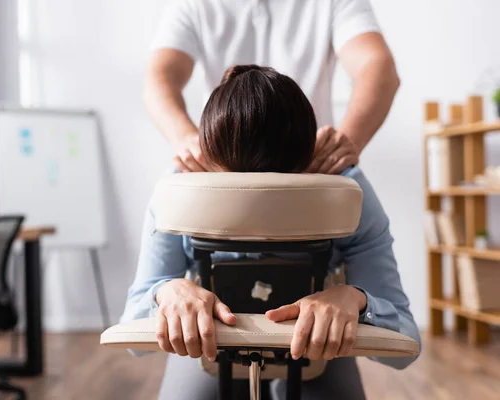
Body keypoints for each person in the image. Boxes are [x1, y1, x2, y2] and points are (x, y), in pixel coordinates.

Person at [122, 65, 420, 400]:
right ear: (207, 160)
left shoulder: (347, 192)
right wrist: (168, 293)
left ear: (311, 160)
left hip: (316, 341)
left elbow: (406, 347)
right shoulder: (180, 191)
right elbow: (134, 334)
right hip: (211, 339)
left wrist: (356, 301)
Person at [144, 0, 400, 175]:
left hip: (308, 173)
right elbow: (159, 77)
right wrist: (185, 139)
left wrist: (348, 141)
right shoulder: (194, 4)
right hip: (224, 176)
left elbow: (378, 68)